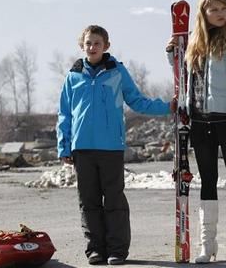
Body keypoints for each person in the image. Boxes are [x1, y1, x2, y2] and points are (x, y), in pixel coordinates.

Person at [57, 25, 174, 265]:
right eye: (88, 43)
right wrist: (64, 146)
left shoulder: (117, 72)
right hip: (83, 149)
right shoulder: (73, 76)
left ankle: (117, 251)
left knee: (114, 200)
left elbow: (137, 101)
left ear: (106, 46)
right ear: (82, 46)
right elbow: (64, 114)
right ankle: (95, 250)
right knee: (88, 201)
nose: (92, 47)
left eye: (97, 43)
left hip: (111, 147)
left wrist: (167, 107)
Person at [166, 0, 226, 265]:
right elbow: (184, 77)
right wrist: (173, 51)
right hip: (199, 123)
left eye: (223, 9)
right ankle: (208, 244)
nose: (219, 14)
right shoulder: (195, 41)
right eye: (213, 9)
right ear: (203, 14)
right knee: (207, 182)